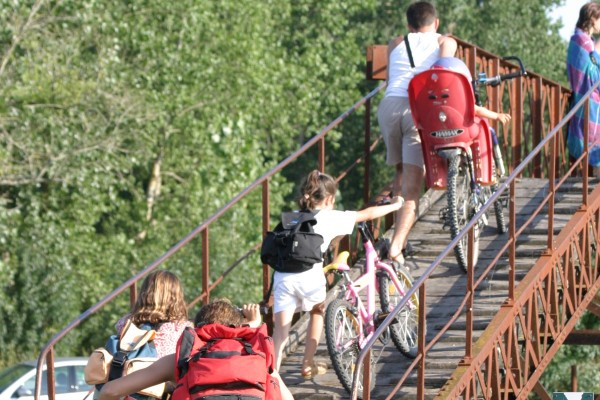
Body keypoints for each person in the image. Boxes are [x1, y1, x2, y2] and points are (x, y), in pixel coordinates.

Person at [271, 170, 405, 378]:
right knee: (317, 311)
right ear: (330, 198)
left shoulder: (291, 218)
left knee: (280, 333)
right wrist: (395, 205)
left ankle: (272, 375)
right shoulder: (330, 217)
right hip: (309, 276)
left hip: (282, 277)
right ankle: (307, 363)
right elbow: (367, 214)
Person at [377, 1, 457, 267]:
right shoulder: (446, 41)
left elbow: (389, 81)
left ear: (409, 26)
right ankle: (396, 247)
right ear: (436, 23)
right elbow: (445, 73)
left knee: (399, 172)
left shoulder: (396, 42)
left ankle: (392, 230)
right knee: (414, 183)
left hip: (388, 107)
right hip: (416, 109)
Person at [99, 300, 294, 400]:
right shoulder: (258, 361)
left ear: (198, 331)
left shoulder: (185, 357)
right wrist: (253, 324)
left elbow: (110, 390)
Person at [114, 270, 193, 359]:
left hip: (129, 371)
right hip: (162, 372)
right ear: (176, 297)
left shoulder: (126, 323)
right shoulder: (181, 328)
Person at [566, 1, 600, 177]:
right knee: (590, 152)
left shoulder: (584, 40)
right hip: (587, 105)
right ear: (593, 18)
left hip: (587, 104)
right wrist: (597, 49)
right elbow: (592, 78)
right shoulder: (582, 41)